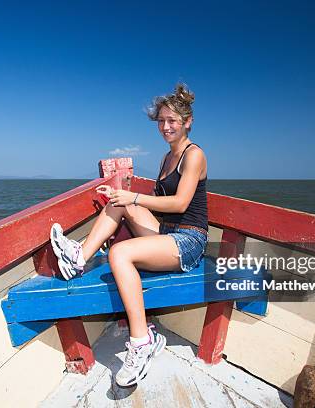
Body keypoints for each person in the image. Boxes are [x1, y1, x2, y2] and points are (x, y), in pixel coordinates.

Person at [50, 83, 208, 387]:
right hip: (168, 233)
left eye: (173, 120)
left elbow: (180, 203)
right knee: (118, 202)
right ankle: (78, 258)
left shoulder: (194, 155)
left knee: (119, 252)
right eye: (161, 121)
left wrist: (133, 198)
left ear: (188, 122)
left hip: (189, 242)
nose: (166, 127)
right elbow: (158, 205)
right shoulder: (166, 158)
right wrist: (122, 196)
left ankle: (141, 341)